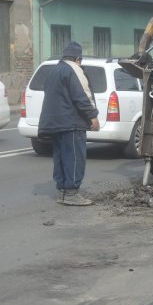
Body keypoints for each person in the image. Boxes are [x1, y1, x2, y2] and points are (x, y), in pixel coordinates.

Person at [39, 41, 100, 206]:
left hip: (55, 123)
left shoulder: (53, 71)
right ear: (78, 58)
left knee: (60, 158)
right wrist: (93, 116)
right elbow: (82, 96)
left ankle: (63, 192)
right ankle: (72, 193)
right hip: (72, 123)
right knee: (74, 158)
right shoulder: (74, 70)